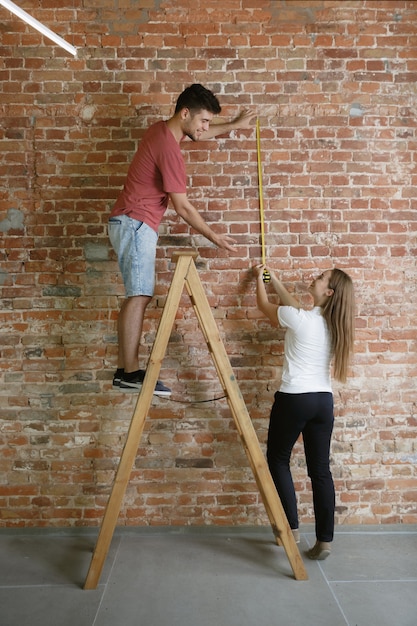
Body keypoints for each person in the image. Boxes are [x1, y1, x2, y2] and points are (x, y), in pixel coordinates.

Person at [109, 83, 256, 397]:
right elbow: (183, 206)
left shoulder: (162, 131)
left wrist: (232, 125)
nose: (205, 128)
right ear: (185, 113)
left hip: (130, 221)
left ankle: (125, 370)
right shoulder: (169, 149)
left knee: (138, 294)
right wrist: (215, 237)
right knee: (139, 295)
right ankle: (130, 373)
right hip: (136, 223)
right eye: (203, 120)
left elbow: (200, 132)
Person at [253, 263, 355, 560]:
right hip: (323, 402)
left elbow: (264, 306)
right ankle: (325, 541)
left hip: (295, 399)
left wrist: (260, 280)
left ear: (329, 291)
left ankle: (290, 530)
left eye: (322, 278)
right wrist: (277, 281)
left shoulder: (299, 319)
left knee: (278, 459)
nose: (316, 277)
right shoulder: (331, 323)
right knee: (320, 471)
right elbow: (295, 307)